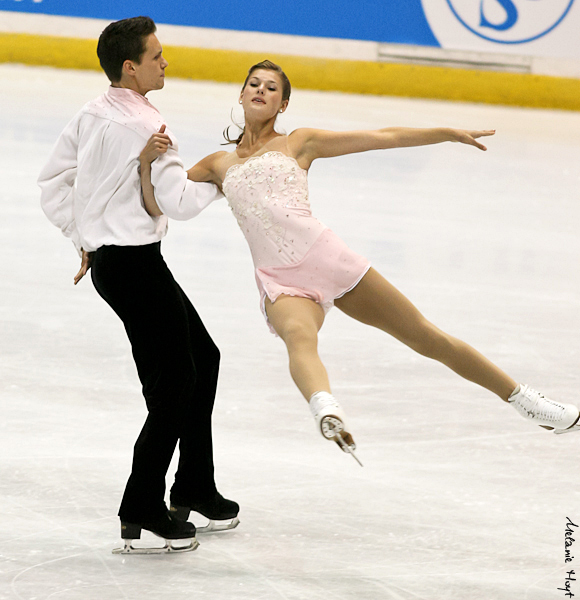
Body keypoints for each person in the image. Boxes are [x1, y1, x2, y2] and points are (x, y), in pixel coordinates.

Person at [139, 60, 580, 464]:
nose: (260, 90)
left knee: (427, 337)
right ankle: (326, 408)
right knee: (298, 338)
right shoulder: (218, 163)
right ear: (240, 95)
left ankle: (525, 400)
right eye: (253, 84)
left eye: (271, 88)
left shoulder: (300, 142)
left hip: (329, 259)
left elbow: (380, 138)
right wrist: (144, 165)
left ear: (283, 103)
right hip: (279, 279)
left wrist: (443, 132)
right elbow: (161, 203)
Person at [38, 16, 239, 554]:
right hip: (134, 266)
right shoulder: (146, 128)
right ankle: (141, 504)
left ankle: (194, 484)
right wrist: (224, 176)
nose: (165, 62)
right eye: (157, 56)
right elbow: (177, 202)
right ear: (131, 67)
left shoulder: (92, 111)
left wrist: (82, 238)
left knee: (204, 358)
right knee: (173, 386)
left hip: (118, 264)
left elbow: (54, 185)